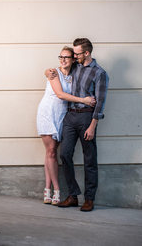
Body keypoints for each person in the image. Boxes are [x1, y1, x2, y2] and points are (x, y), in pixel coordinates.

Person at [47, 38, 109, 212]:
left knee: (90, 159)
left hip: (87, 119)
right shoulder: (75, 66)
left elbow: (101, 101)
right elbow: (57, 70)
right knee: (65, 155)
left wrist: (93, 125)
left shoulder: (99, 73)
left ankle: (89, 199)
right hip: (70, 117)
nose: (74, 56)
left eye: (77, 53)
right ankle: (73, 196)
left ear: (87, 53)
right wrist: (47, 72)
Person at [37, 46, 95, 205]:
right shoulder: (54, 72)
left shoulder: (75, 73)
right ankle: (56, 190)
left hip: (63, 115)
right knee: (51, 152)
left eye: (67, 57)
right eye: (60, 57)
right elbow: (61, 94)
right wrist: (84, 100)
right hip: (48, 113)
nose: (63, 60)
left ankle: (46, 188)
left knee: (52, 152)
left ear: (73, 59)